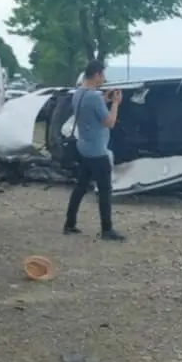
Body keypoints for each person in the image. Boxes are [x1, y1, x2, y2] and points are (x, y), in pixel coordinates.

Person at [64, 60, 125, 241]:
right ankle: (107, 230)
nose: (104, 78)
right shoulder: (93, 97)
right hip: (98, 152)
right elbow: (109, 123)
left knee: (81, 187)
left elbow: (89, 111)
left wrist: (104, 100)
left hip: (84, 148)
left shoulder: (79, 94)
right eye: (103, 74)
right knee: (105, 190)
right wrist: (115, 104)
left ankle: (70, 223)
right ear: (97, 74)